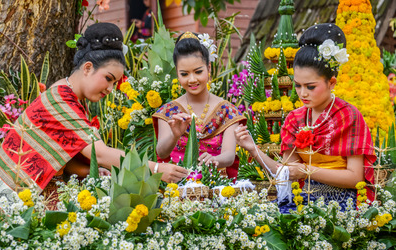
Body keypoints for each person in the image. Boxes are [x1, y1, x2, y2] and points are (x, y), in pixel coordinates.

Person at [0, 23, 188, 213]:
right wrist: (158, 169)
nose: (110, 89)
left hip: (15, 197)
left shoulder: (66, 93)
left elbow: (64, 159)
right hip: (7, 205)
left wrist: (91, 172)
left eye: (115, 83)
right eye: (108, 79)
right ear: (88, 68)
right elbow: (100, 154)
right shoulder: (62, 100)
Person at [235, 23, 376, 213]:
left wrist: (306, 171)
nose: (302, 94)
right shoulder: (295, 119)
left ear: (331, 82)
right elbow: (286, 172)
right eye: (298, 85)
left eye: (310, 86)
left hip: (342, 200)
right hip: (303, 198)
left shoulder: (349, 116)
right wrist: (254, 150)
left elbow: (355, 178)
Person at [153, 32, 246, 177]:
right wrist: (174, 135)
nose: (192, 79)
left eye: (198, 72)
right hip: (177, 187)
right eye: (184, 74)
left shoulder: (228, 110)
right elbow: (161, 152)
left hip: (217, 187)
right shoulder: (167, 112)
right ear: (177, 74)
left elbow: (229, 156)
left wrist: (215, 159)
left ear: (209, 68)